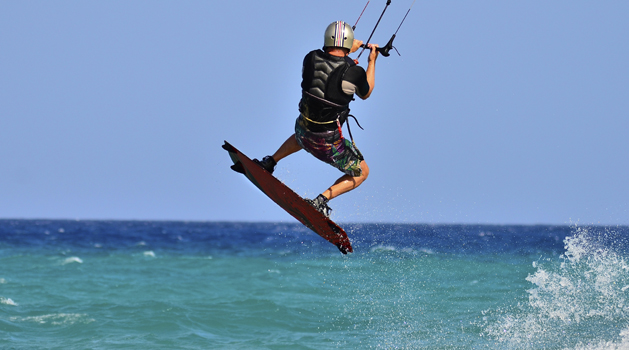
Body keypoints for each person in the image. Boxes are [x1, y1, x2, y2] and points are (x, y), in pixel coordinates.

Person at [254, 20, 379, 218]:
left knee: (305, 131)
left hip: (303, 133)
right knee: (363, 172)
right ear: (348, 43)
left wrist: (347, 54)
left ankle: (270, 162)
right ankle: (320, 201)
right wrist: (372, 61)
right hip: (328, 143)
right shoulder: (354, 72)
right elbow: (366, 92)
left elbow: (330, 67)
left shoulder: (310, 58)